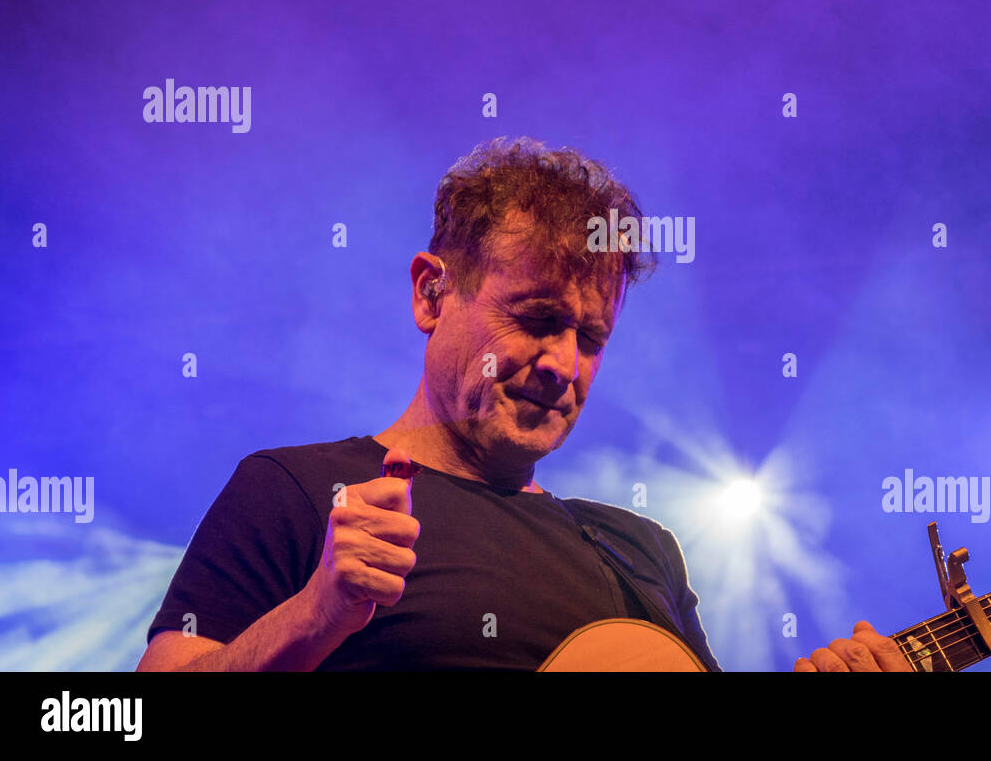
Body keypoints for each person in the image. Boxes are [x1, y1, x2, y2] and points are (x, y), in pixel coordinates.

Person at [137, 137, 910, 672]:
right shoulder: (297, 492)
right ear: (432, 292)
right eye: (537, 319)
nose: (563, 363)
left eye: (592, 337)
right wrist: (314, 616)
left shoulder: (639, 552)